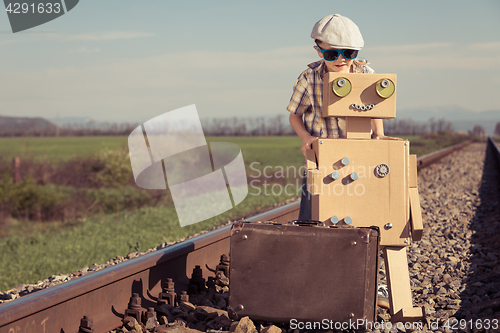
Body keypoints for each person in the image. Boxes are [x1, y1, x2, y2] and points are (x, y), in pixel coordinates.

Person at [287, 14, 389, 220]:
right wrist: (306, 138)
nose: (341, 59)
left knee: (358, 211)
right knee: (312, 212)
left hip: (360, 154)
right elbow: (294, 115)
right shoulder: (309, 78)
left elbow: (374, 109)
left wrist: (379, 134)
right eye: (332, 54)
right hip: (321, 157)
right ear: (319, 51)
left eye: (349, 53)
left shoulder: (366, 74)